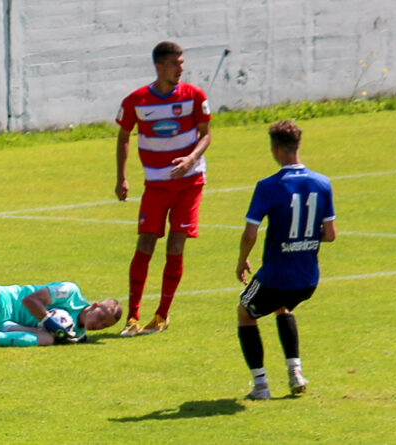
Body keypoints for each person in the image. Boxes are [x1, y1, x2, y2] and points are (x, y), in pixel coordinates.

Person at [114, 41, 212, 336]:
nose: (181, 68)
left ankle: (162, 315)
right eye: (175, 64)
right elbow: (123, 136)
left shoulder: (194, 96)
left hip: (189, 182)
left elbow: (206, 135)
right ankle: (132, 318)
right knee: (145, 244)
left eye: (182, 63)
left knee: (175, 245)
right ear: (159, 66)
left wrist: (192, 158)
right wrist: (121, 177)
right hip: (155, 184)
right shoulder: (136, 101)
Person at [235, 120, 336, 400]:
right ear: (298, 146)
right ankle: (295, 373)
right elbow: (330, 234)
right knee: (283, 307)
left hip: (276, 276)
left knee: (245, 312)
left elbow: (249, 234)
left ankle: (261, 386)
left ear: (276, 150)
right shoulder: (322, 183)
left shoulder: (268, 186)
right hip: (307, 279)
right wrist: (303, 238)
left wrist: (242, 260)